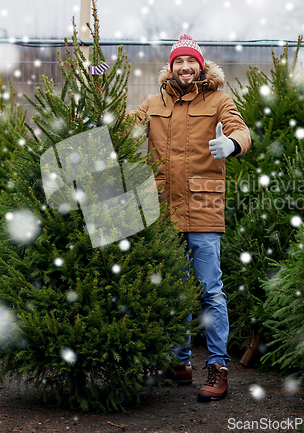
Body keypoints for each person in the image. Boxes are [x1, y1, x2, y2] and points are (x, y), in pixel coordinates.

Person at [130, 34, 251, 401]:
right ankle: (179, 362)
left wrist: (231, 144)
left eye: (190, 61)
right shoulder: (153, 103)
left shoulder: (218, 101)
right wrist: (93, 84)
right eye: (178, 62)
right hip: (164, 208)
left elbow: (242, 131)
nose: (185, 67)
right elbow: (119, 128)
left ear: (200, 65)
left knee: (210, 292)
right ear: (171, 67)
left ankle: (218, 367)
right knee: (175, 291)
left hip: (203, 208)